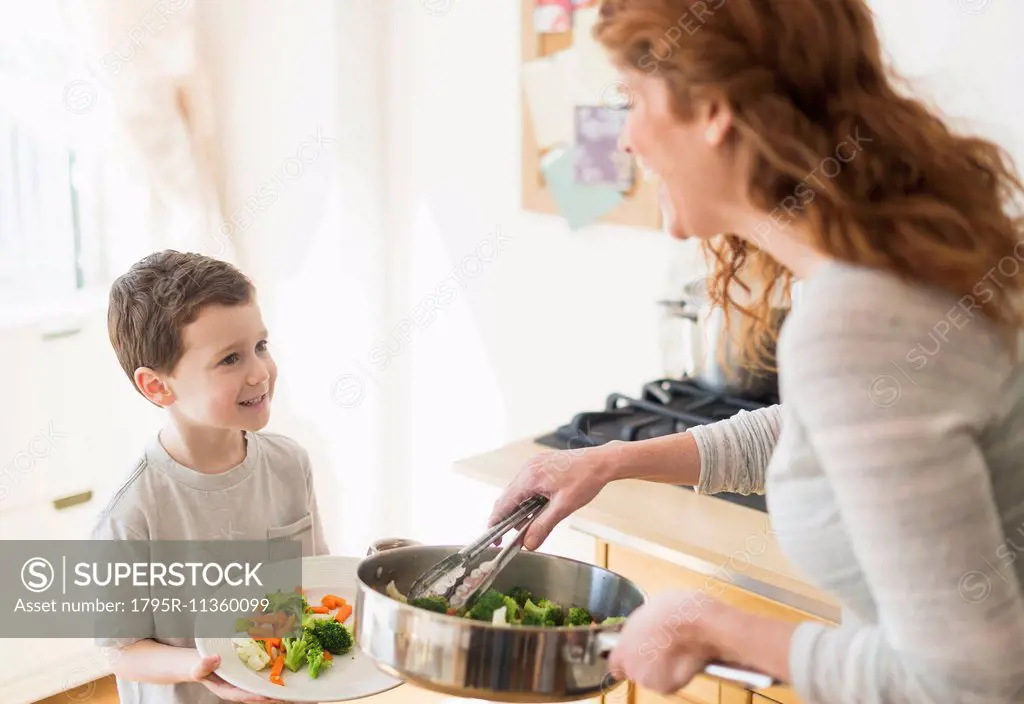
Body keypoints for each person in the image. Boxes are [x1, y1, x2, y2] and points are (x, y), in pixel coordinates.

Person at [490, 0, 1024, 701]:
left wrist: (710, 626)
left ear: (713, 108)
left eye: (631, 100)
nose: (625, 141)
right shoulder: (895, 269)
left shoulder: (859, 318)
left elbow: (972, 685)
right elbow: (822, 432)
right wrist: (613, 461)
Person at [92, 250, 329, 704]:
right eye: (230, 359)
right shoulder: (130, 513)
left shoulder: (289, 465)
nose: (260, 372)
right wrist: (198, 668)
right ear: (157, 385)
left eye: (261, 346)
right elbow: (121, 651)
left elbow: (314, 579)